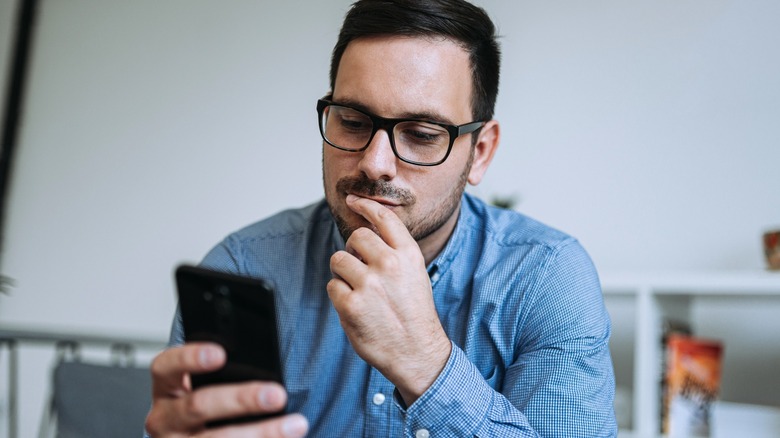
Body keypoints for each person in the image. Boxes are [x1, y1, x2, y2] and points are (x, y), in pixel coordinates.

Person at [145, 0, 617, 436]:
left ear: (481, 153)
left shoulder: (547, 277)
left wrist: (428, 365)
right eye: (352, 121)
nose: (375, 163)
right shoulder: (244, 266)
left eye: (421, 133)